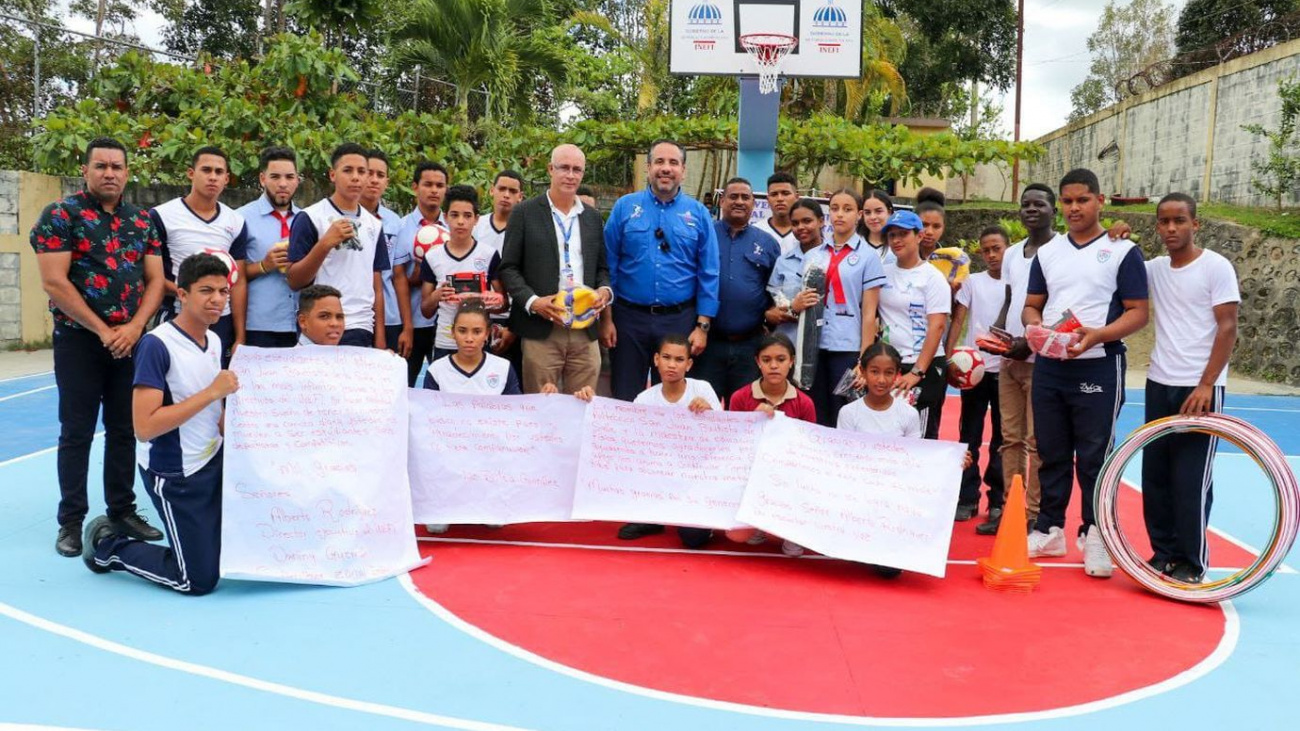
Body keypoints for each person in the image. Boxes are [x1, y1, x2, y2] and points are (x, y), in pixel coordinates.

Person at [32, 136, 167, 556]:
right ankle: (71, 522)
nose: (110, 173)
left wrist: (135, 327)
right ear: (87, 170)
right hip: (79, 342)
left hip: (130, 341)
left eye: (117, 167)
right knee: (77, 432)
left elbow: (156, 281)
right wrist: (103, 330)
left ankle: (122, 510)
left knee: (125, 430)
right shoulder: (60, 215)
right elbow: (55, 282)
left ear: (127, 173)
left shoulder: (142, 220)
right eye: (101, 166)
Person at [81, 253, 240, 595]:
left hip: (213, 459)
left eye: (223, 291)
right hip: (176, 472)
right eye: (206, 290)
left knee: (234, 552)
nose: (217, 299)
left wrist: (225, 413)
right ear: (181, 295)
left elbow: (209, 400)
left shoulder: (212, 339)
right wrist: (213, 394)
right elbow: (145, 427)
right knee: (197, 580)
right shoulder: (157, 345)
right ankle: (109, 547)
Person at [1023, 168, 1148, 579]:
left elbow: (1138, 313)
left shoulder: (1122, 250)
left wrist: (1096, 336)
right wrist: (1035, 328)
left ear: (1100, 201)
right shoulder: (1048, 253)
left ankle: (1096, 534)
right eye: (1067, 200)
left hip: (1099, 364)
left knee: (1094, 457)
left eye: (1082, 200)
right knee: (1051, 452)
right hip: (1051, 366)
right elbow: (1032, 304)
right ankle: (1049, 529)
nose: (1074, 207)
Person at [1142, 192, 1239, 584]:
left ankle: (1192, 563)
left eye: (1179, 221)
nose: (1171, 228)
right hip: (1158, 382)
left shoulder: (1217, 267)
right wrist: (1116, 235)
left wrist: (1206, 384)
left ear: (1195, 224)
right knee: (1156, 475)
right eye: (1164, 221)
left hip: (1199, 388)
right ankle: (1163, 554)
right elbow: (1122, 267)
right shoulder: (1155, 269)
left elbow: (1228, 327)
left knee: (1190, 478)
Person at [602, 139, 720, 405]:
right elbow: (608, 265)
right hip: (628, 320)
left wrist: (703, 326)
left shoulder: (698, 214)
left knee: (674, 400)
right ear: (648, 167)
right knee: (625, 396)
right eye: (659, 162)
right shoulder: (624, 207)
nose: (666, 169)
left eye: (673, 163)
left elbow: (709, 271)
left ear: (683, 170)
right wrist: (606, 318)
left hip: (678, 320)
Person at [837, 342, 969, 579]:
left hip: (894, 496)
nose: (881, 379)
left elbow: (917, 460)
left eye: (889, 373)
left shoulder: (907, 414)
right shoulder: (849, 413)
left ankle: (888, 538)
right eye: (874, 372)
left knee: (890, 571)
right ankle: (859, 533)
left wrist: (953, 462)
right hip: (861, 492)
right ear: (863, 372)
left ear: (898, 374)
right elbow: (843, 461)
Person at [498, 145, 612, 393]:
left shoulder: (592, 217)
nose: (570, 175)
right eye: (564, 168)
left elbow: (602, 268)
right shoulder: (524, 213)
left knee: (582, 404)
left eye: (577, 170)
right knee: (541, 406)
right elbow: (508, 268)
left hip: (585, 327)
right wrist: (534, 302)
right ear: (551, 169)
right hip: (542, 327)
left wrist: (604, 292)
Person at [987, 182, 1057, 533]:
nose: (1031, 210)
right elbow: (1011, 297)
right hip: (1009, 359)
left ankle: (1033, 514)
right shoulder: (1014, 253)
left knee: (1036, 441)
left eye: (1039, 204)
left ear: (1053, 210)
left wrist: (1030, 343)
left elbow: (1056, 305)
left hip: (1041, 360)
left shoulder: (1062, 251)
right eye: (1026, 204)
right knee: (1009, 439)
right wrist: (997, 332)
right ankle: (1009, 509)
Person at [150, 146, 249, 366]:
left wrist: (240, 336)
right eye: (206, 170)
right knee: (177, 384)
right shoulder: (162, 216)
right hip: (178, 315)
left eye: (218, 172)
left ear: (226, 178)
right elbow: (151, 274)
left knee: (219, 389)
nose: (212, 177)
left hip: (221, 319)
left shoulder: (236, 221)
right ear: (191, 173)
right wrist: (190, 294)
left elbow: (239, 280)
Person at [286, 142, 388, 348]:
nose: (356, 177)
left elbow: (377, 286)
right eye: (348, 170)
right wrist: (324, 244)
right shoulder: (311, 217)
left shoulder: (375, 225)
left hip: (360, 325)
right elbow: (294, 279)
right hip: (321, 326)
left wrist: (380, 338)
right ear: (333, 175)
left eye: (362, 171)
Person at [621, 334, 720, 548]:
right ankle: (652, 518)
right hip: (660, 474)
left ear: (689, 364)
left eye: (679, 359)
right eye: (666, 357)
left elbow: (722, 437)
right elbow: (633, 444)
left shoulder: (702, 389)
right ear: (656, 360)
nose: (672, 365)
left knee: (693, 539)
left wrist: (710, 412)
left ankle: (706, 518)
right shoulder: (644, 399)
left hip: (697, 477)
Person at [725, 333, 815, 555]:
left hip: (789, 474)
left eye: (781, 359)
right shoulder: (740, 397)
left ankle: (791, 527)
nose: (774, 365)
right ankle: (758, 523)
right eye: (766, 360)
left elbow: (810, 451)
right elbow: (732, 446)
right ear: (757, 362)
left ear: (792, 361)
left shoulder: (805, 403)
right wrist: (753, 422)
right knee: (737, 536)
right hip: (751, 472)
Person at [693, 177, 780, 404]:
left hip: (749, 345)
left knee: (744, 413)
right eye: (733, 196)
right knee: (703, 410)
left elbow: (775, 293)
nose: (739, 202)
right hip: (708, 342)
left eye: (745, 197)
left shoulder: (768, 243)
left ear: (753, 203)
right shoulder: (704, 235)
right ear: (722, 201)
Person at [804, 189, 886, 427]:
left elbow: (869, 312)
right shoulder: (813, 255)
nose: (840, 215)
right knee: (816, 413)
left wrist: (864, 359)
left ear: (859, 215)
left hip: (847, 346)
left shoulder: (868, 257)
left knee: (844, 412)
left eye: (847, 209)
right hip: (814, 345)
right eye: (835, 208)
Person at [947, 226, 1008, 525]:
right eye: (986, 250)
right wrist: (948, 358)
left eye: (997, 248)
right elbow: (958, 319)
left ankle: (997, 498)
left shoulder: (1019, 282)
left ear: (1008, 249)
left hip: (1007, 370)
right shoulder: (973, 282)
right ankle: (966, 497)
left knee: (1001, 438)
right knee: (968, 435)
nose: (992, 254)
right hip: (974, 371)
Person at [878, 210, 951, 438]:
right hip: (890, 365)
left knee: (921, 436)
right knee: (888, 432)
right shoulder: (882, 272)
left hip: (923, 367)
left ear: (919, 236)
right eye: (892, 236)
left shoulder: (932, 277)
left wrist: (918, 371)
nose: (897, 240)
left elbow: (937, 326)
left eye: (903, 234)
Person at [420, 185, 506, 361]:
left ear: (476, 219)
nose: (460, 221)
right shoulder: (432, 257)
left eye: (467, 216)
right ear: (445, 217)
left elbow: (504, 304)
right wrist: (437, 296)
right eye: (454, 215)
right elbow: (426, 310)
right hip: (445, 342)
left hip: (478, 343)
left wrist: (493, 300)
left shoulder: (489, 255)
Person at [238, 146, 301, 348]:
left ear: (297, 180)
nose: (283, 184)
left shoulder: (307, 219)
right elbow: (228, 274)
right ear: (262, 179)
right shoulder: (240, 218)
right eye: (275, 177)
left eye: (289, 177)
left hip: (302, 325)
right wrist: (264, 265)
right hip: (258, 325)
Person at [396, 161, 450, 384]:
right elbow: (398, 278)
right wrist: (407, 327)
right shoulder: (401, 227)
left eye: (440, 185)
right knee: (406, 386)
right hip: (415, 323)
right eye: (428, 184)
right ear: (415, 187)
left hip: (446, 324)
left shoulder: (453, 225)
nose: (434, 190)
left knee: (444, 388)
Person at [363, 148, 414, 357]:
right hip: (352, 315)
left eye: (380, 175)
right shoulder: (340, 218)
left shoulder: (393, 221)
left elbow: (399, 275)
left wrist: (407, 326)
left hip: (390, 316)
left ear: (387, 182)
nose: (374, 180)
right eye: (369, 173)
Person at [475, 170, 527, 369]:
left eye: (513, 191)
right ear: (491, 190)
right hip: (478, 317)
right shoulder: (476, 226)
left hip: (515, 320)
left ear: (520, 197)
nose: (506, 195)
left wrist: (513, 328)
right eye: (502, 189)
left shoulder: (526, 230)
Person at [765, 198, 827, 344]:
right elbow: (775, 310)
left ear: (821, 221)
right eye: (795, 223)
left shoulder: (833, 258)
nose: (800, 227)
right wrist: (793, 308)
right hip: (789, 342)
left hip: (823, 344)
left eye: (807, 221)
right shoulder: (783, 262)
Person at [753, 171, 798, 254]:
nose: (780, 198)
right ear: (768, 199)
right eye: (774, 194)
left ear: (796, 197)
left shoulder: (805, 232)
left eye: (785, 193)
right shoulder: (755, 231)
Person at [858, 189, 896, 264]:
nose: (873, 217)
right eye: (867, 212)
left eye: (878, 211)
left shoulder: (898, 245)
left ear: (889, 212)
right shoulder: (855, 244)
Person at [915, 187, 946, 260]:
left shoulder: (951, 260)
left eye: (936, 226)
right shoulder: (899, 259)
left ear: (943, 227)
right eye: (924, 225)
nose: (929, 232)